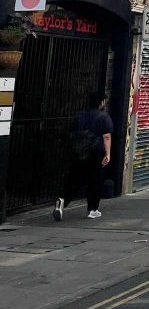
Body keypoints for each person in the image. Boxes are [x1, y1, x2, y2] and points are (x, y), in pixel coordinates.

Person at [54, 91, 113, 221]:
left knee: (74, 180)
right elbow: (107, 136)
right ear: (102, 102)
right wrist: (108, 154)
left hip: (79, 152)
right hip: (96, 153)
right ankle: (92, 209)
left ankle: (63, 200)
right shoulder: (104, 117)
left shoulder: (80, 115)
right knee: (95, 181)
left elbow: (72, 132)